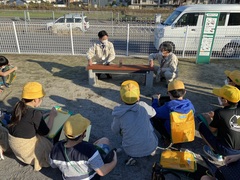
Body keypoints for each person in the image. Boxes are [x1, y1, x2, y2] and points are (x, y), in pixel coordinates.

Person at [50, 114, 117, 180]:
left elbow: (53, 165)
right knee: (105, 140)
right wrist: (114, 161)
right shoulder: (89, 149)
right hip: (90, 178)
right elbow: (102, 172)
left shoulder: (55, 148)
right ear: (83, 134)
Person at [8, 82, 57, 171]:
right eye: (41, 99)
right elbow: (45, 132)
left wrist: (42, 116)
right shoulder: (35, 113)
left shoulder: (18, 106)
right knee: (47, 144)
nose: (41, 100)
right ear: (35, 100)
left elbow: (26, 121)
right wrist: (52, 116)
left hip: (14, 145)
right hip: (25, 148)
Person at [111, 80, 158, 165]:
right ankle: (148, 148)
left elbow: (114, 130)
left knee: (123, 129)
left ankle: (133, 154)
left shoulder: (119, 114)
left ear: (121, 98)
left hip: (130, 151)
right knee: (148, 123)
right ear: (138, 97)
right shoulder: (143, 106)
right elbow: (153, 113)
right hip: (151, 147)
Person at [198, 85, 240, 162]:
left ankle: (215, 153)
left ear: (225, 101)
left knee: (201, 126)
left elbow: (212, 130)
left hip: (227, 151)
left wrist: (208, 118)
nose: (218, 97)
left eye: (220, 97)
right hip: (238, 152)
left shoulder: (220, 112)